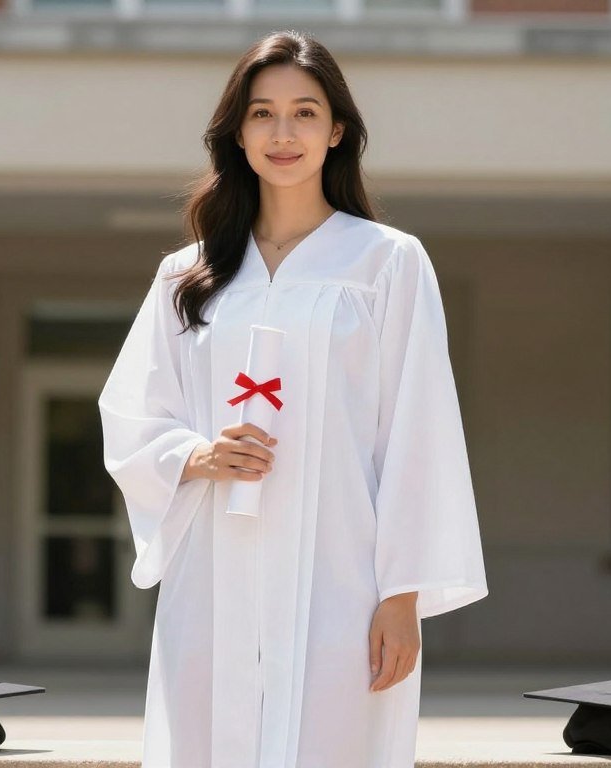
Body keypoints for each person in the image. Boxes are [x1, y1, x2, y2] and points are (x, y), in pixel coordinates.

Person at [98, 29, 488, 768]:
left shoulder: (385, 263)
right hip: (214, 572)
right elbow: (132, 413)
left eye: (305, 113)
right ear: (236, 133)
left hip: (342, 574)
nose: (284, 134)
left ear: (337, 130)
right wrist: (196, 453)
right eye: (262, 114)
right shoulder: (189, 275)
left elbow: (419, 431)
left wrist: (401, 595)